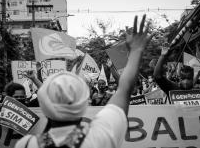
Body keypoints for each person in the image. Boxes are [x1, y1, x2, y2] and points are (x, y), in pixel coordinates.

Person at [15, 14, 151, 148]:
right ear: (84, 102)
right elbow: (125, 88)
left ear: (43, 105)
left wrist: (34, 78)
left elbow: (124, 88)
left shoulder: (26, 144)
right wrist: (136, 51)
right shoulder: (102, 136)